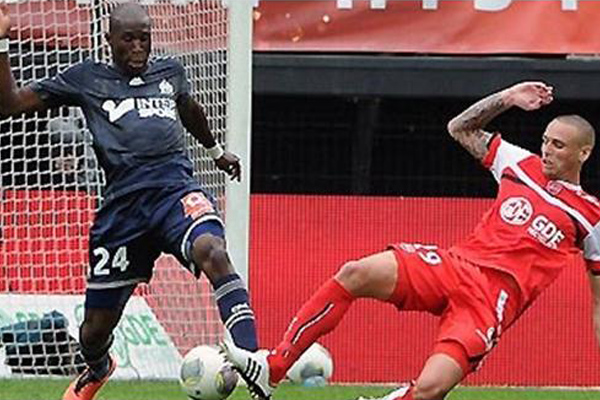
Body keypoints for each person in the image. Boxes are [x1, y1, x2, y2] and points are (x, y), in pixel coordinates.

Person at [223, 81, 600, 400]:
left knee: (430, 389)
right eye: (547, 141)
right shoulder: (520, 164)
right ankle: (273, 367)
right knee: (355, 272)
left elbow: (598, 299)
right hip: (455, 267)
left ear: (584, 153)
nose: (548, 150)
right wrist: (507, 97)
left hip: (489, 305)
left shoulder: (591, 216)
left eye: (559, 146)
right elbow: (460, 128)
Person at [0, 3, 260, 400]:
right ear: (110, 40)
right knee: (95, 330)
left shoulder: (169, 72)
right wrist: (1, 40)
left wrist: (215, 151)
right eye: (129, 39)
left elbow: (188, 108)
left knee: (215, 252)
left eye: (145, 38)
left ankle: (253, 361)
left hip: (175, 191)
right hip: (122, 211)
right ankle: (99, 366)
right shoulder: (86, 78)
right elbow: (11, 104)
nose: (139, 47)